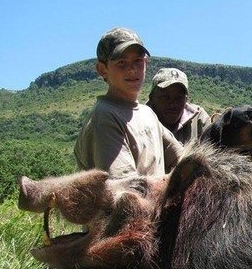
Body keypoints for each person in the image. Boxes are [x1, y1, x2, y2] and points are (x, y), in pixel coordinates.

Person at [74, 27, 183, 177]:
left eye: (138, 61)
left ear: (146, 63)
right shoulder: (105, 116)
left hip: (155, 199)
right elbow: (126, 190)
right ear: (102, 69)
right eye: (121, 63)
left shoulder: (147, 113)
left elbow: (183, 159)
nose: (132, 69)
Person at [147, 67, 211, 144]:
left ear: (186, 100)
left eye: (179, 97)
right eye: (165, 97)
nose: (173, 103)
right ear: (152, 98)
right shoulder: (138, 120)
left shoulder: (199, 120)